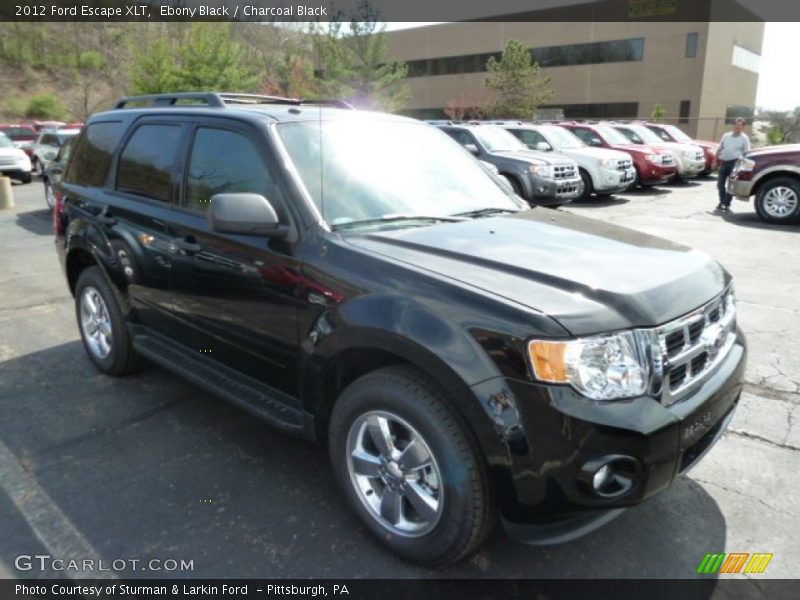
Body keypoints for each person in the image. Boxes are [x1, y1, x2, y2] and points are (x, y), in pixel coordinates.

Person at [713, 117, 751, 211]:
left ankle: (727, 203)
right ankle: (722, 201)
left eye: (740, 125)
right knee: (720, 184)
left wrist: (743, 165)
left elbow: (747, 153)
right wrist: (715, 160)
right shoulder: (726, 136)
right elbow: (719, 148)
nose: (737, 127)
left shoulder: (744, 138)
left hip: (735, 163)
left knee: (730, 185)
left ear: (743, 127)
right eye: (736, 125)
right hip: (724, 162)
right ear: (733, 125)